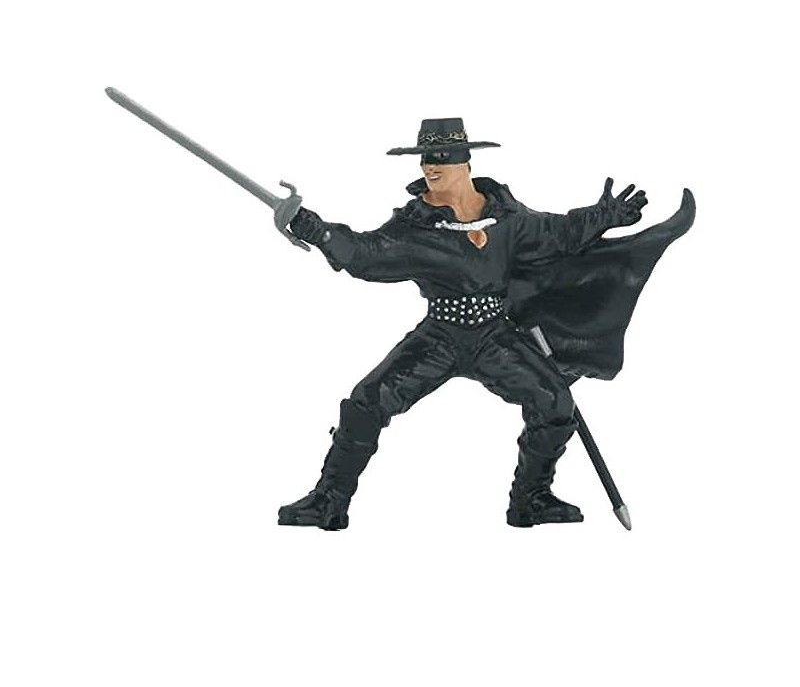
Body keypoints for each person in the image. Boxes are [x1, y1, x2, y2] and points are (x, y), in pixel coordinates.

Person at [278, 118, 693, 530]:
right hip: (439, 338)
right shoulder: (415, 227)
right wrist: (321, 233)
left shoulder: (506, 217)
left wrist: (603, 217)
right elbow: (367, 254)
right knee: (368, 401)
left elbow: (556, 233)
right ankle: (328, 501)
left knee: (554, 403)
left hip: (495, 337)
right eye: (424, 159)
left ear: (465, 161)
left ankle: (530, 500)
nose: (429, 166)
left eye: (440, 156)